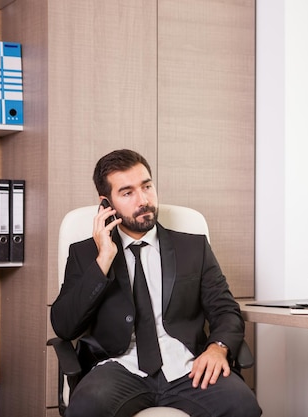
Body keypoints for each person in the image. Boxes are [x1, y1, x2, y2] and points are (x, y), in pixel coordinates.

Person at [51, 149, 261, 417]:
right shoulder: (85, 254)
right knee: (87, 409)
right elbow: (64, 326)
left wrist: (218, 348)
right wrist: (103, 260)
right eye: (127, 193)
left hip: (187, 367)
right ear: (106, 203)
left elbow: (225, 310)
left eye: (147, 186)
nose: (144, 200)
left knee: (243, 405)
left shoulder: (193, 247)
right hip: (119, 368)